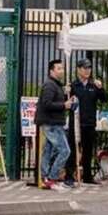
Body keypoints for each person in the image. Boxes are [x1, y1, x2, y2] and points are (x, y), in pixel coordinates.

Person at [65, 58, 108, 186]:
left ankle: (88, 176)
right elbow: (65, 102)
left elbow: (105, 99)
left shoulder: (93, 85)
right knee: (72, 151)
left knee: (88, 151)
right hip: (76, 123)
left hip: (89, 123)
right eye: (84, 68)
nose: (87, 70)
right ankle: (69, 176)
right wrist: (65, 92)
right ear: (78, 69)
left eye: (89, 68)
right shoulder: (73, 86)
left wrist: (100, 88)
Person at [36, 59, 75, 191]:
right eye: (59, 68)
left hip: (52, 122)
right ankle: (52, 178)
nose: (62, 70)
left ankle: (46, 178)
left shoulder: (55, 85)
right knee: (65, 150)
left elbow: (53, 100)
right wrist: (64, 105)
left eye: (62, 68)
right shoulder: (50, 85)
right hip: (52, 123)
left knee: (48, 151)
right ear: (51, 71)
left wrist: (64, 94)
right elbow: (46, 103)